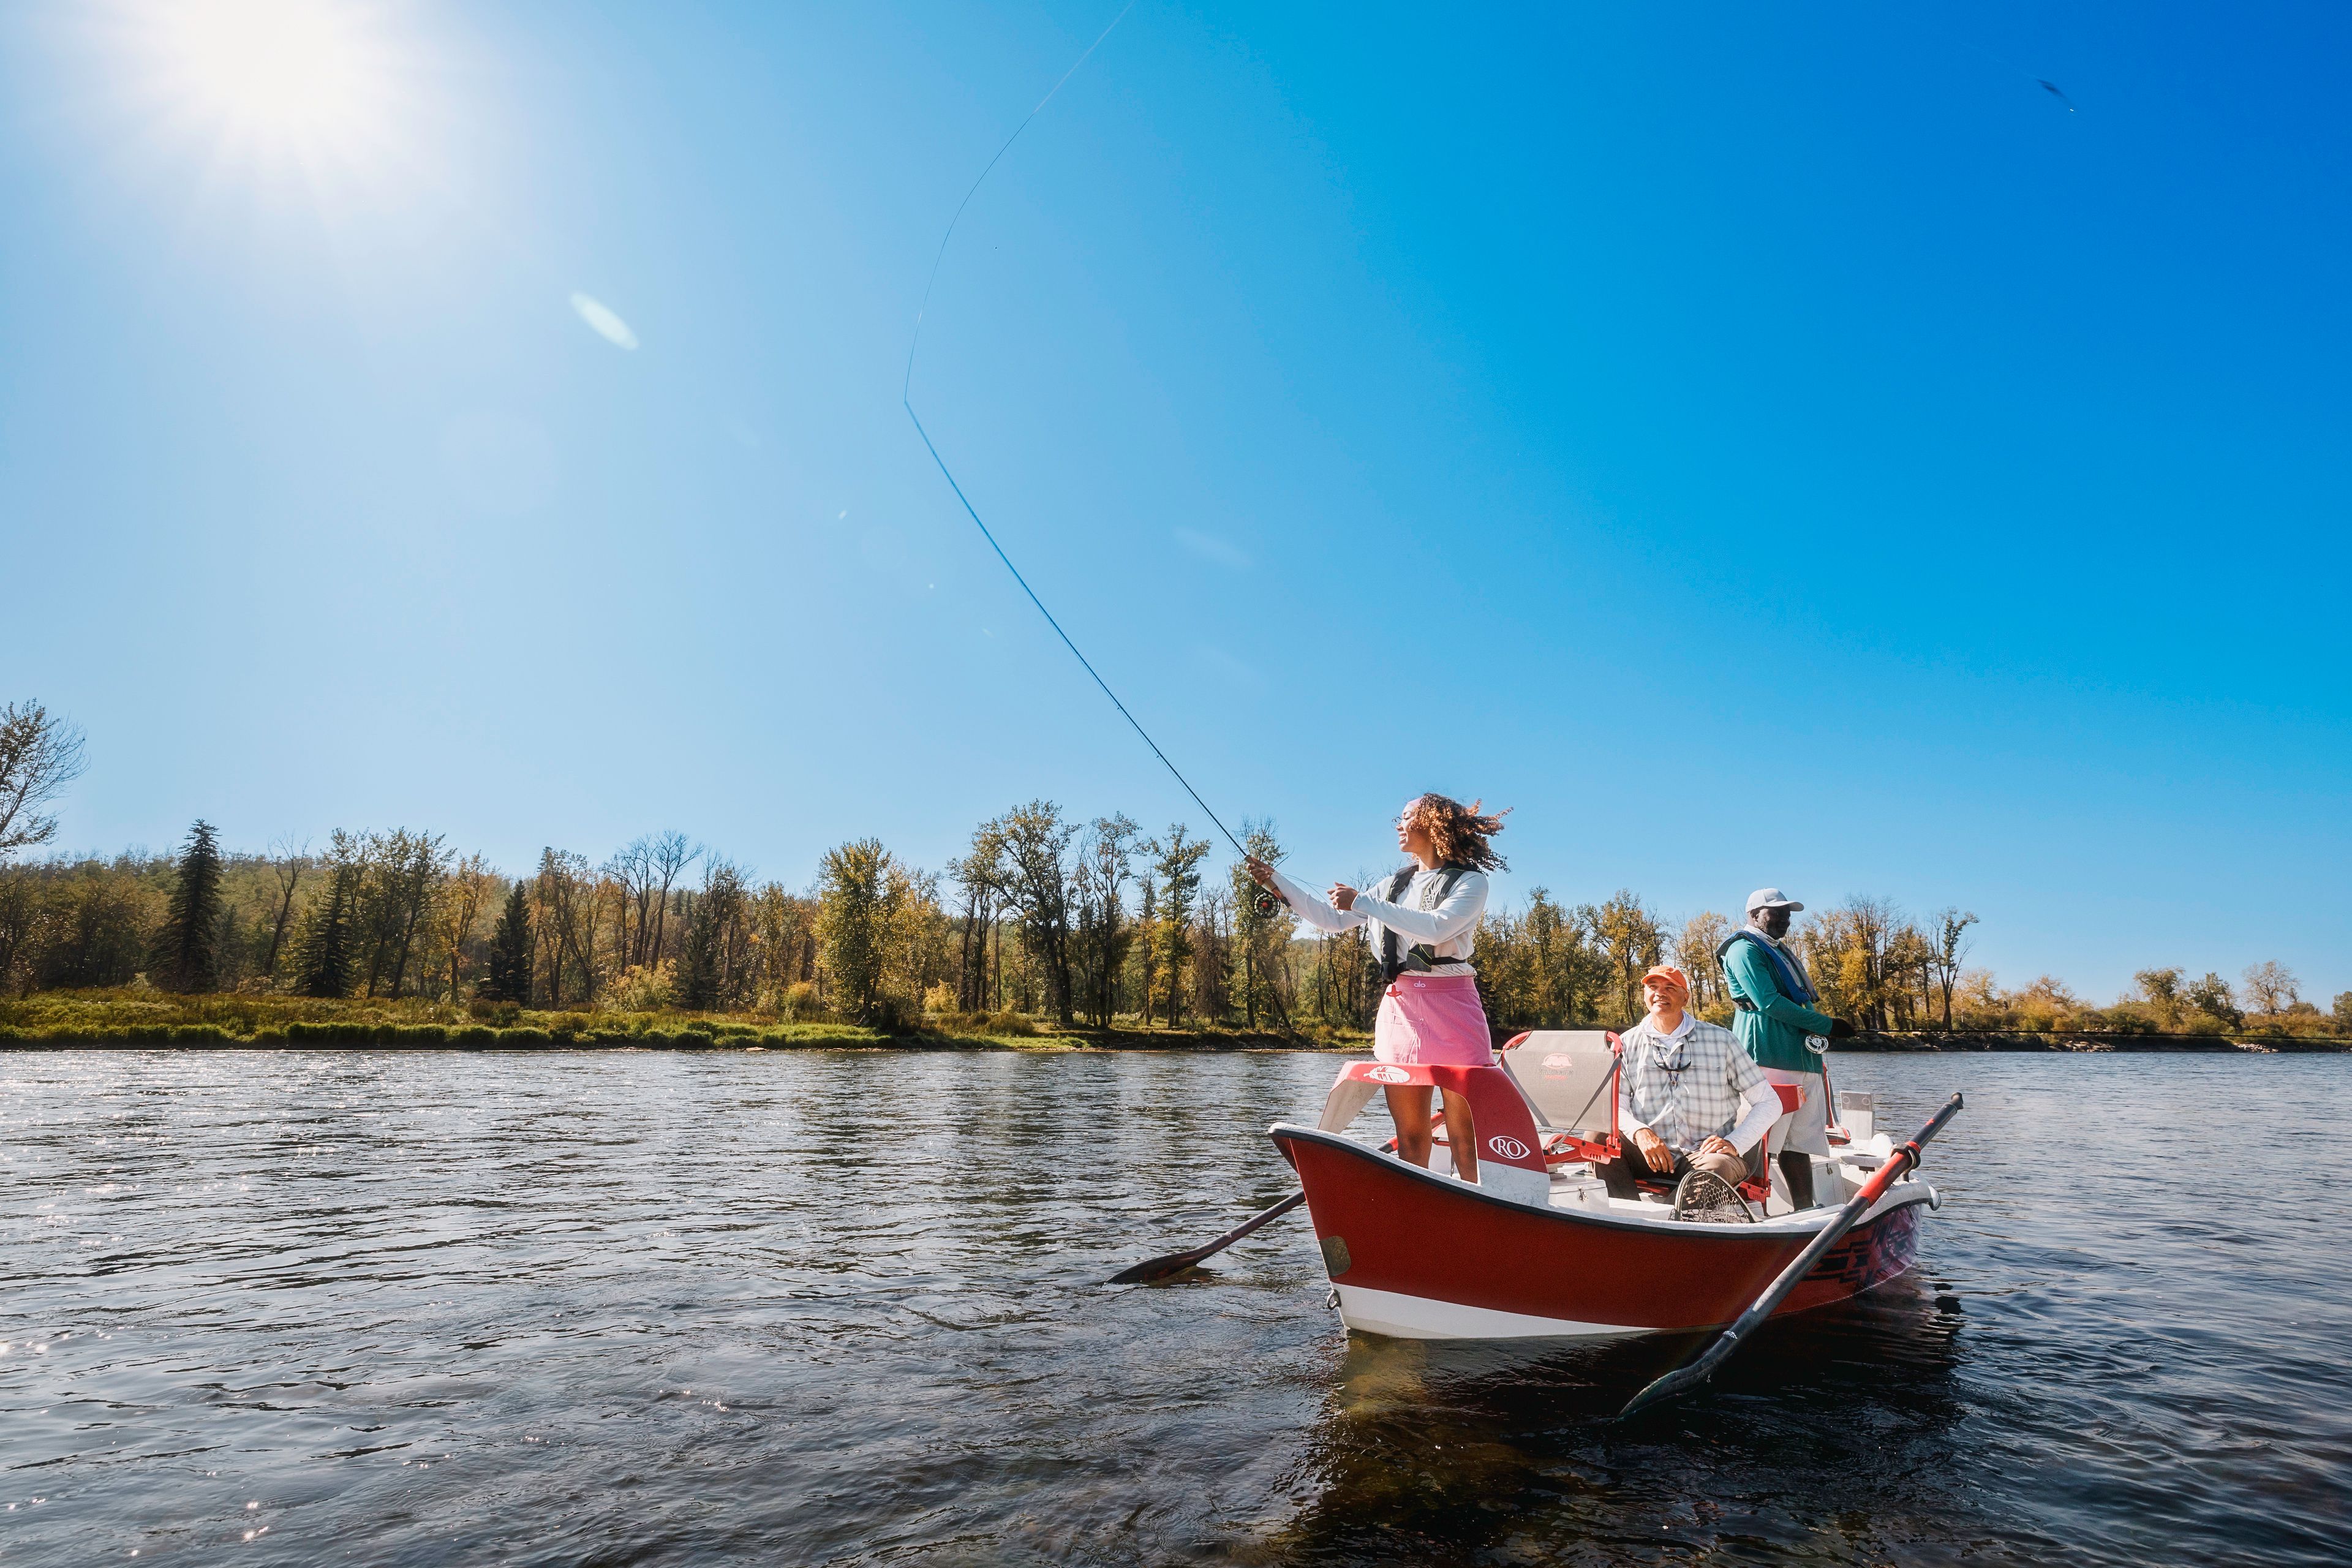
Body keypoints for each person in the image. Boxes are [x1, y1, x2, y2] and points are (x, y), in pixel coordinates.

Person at [1247, 794, 1506, 1182]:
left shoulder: (1471, 882)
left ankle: (1481, 1215)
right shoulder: (1391, 885)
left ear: (1432, 823)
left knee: (1465, 1140)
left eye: (1406, 818)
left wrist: (1366, 902)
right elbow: (1330, 919)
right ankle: (1415, 1215)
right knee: (1411, 1139)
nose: (1398, 826)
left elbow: (1436, 927)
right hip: (1399, 1010)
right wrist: (1276, 881)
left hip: (1453, 1005)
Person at [1715, 888, 1856, 1208]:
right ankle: (1747, 1211)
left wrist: (1823, 1029)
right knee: (1758, 1142)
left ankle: (1806, 1208)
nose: (1784, 919)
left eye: (1787, 914)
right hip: (1766, 1056)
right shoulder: (1744, 950)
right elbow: (1767, 1002)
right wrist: (1828, 1025)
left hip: (1802, 1059)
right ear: (1753, 915)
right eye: (1775, 913)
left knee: (1799, 1141)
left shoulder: (1777, 950)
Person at [1596, 963, 1781, 1204]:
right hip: (1652, 1155)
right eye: (1653, 987)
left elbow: (1769, 1102)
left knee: (1716, 1167)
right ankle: (1625, 1216)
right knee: (1598, 1137)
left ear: (1686, 997)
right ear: (1644, 996)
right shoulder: (1626, 1044)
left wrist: (1734, 1143)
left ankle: (1668, 1223)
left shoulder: (1721, 1040)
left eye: (1670, 988)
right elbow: (1614, 1107)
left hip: (1707, 1157)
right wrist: (1640, 1132)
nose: (1660, 993)